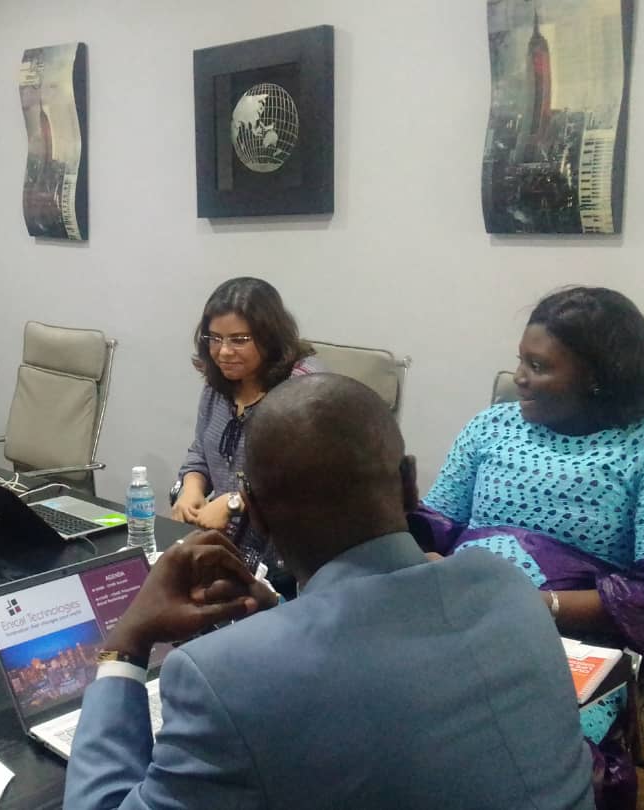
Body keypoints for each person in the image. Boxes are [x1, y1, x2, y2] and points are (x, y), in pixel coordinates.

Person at [65, 374, 593, 810]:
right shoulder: (508, 588)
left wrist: (126, 643)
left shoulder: (220, 680)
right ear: (410, 484)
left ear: (255, 512)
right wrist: (279, 614)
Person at [413, 286, 644, 808]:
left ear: (596, 377)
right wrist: (409, 538)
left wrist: (538, 605)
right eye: (520, 361)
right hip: (456, 618)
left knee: (522, 764)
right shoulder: (490, 426)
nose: (520, 377)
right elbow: (435, 527)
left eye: (539, 366)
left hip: (568, 644)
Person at [171, 277, 319, 589]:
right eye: (215, 338)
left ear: (270, 337)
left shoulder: (303, 391)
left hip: (290, 566)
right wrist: (191, 487)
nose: (223, 352)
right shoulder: (218, 385)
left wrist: (235, 502)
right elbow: (200, 451)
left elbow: (305, 481)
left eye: (239, 340)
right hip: (229, 554)